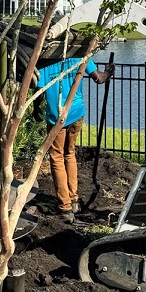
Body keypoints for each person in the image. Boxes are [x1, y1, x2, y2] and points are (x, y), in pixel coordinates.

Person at [34, 53, 114, 221]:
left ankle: (65, 207)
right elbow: (99, 78)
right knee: (69, 153)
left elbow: (39, 91)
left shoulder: (45, 62)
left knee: (57, 157)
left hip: (57, 116)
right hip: (76, 112)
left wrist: (36, 108)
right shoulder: (80, 56)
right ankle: (74, 199)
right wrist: (108, 72)